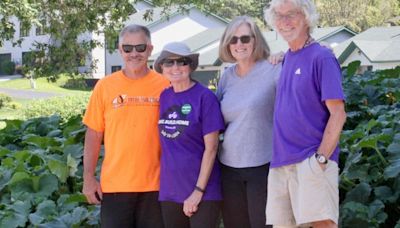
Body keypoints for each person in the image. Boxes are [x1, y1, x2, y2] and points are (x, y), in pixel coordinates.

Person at [264, 0, 347, 227]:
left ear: (307, 17)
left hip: (311, 161)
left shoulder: (322, 58)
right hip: (281, 164)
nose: (285, 21)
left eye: (292, 14)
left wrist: (320, 160)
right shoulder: (286, 58)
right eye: (279, 16)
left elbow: (338, 114)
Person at [82, 24, 170, 228]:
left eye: (140, 47)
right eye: (128, 48)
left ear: (149, 49)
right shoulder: (105, 86)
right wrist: (88, 178)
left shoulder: (166, 86)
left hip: (157, 186)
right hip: (115, 187)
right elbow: (94, 134)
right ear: (120, 50)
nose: (134, 53)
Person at [216, 16, 281, 228]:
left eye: (245, 38)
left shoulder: (274, 70)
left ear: (256, 40)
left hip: (263, 165)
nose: (239, 44)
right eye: (233, 40)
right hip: (228, 167)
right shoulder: (226, 77)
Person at [154, 42, 225, 228]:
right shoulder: (164, 97)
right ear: (162, 67)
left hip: (203, 191)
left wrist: (198, 191)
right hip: (170, 191)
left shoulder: (204, 97)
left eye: (182, 62)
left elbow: (212, 148)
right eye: (169, 63)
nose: (175, 67)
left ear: (190, 66)